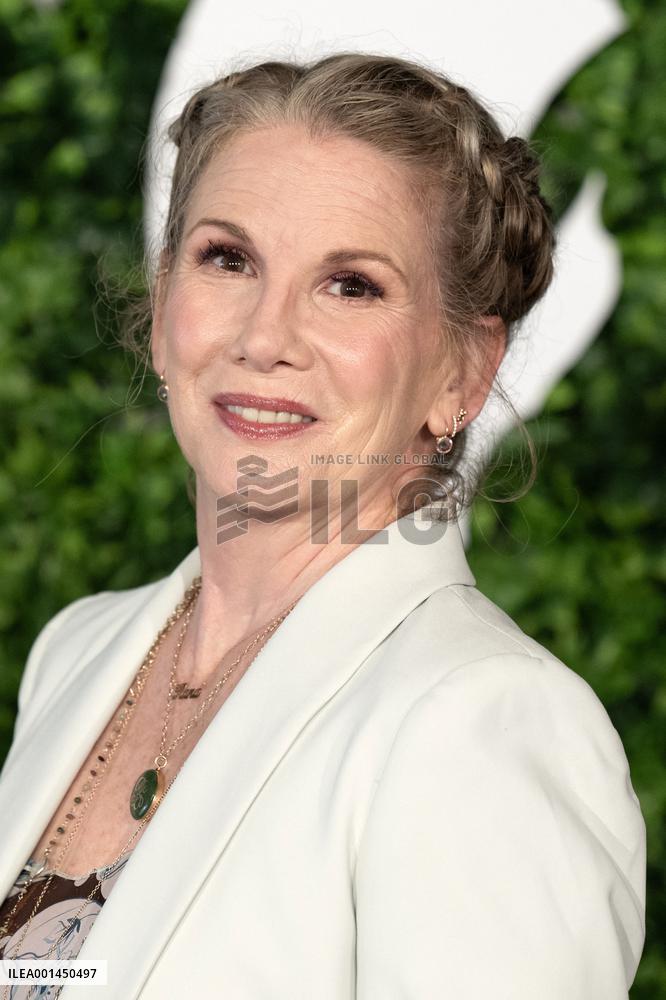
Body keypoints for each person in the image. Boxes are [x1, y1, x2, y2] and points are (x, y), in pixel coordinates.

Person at [0, 52, 645, 999]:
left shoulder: (480, 722)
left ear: (461, 372)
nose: (264, 338)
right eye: (229, 259)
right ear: (162, 303)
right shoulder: (78, 649)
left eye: (351, 285)